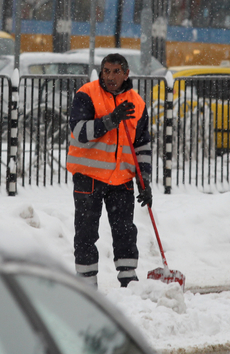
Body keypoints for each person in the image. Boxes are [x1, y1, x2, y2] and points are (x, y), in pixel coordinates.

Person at [66, 53, 152, 288]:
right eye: (106, 71)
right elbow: (80, 132)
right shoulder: (87, 94)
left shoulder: (138, 103)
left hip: (122, 178)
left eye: (116, 71)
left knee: (125, 231)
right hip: (88, 176)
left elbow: (142, 144)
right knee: (86, 232)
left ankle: (128, 280)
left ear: (127, 74)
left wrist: (145, 180)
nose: (110, 77)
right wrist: (110, 120)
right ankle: (86, 282)